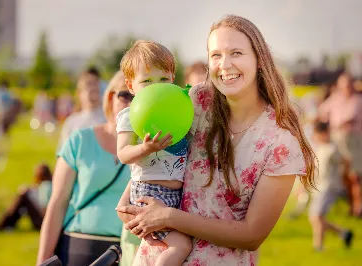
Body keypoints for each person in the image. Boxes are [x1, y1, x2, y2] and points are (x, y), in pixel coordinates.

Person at [116, 15, 316, 265]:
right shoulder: (196, 103)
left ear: (260, 59)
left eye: (236, 53)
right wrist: (129, 202)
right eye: (216, 55)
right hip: (156, 257)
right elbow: (158, 152)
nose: (225, 64)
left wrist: (167, 217)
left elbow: (252, 235)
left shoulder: (280, 143)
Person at [36, 71, 133, 266]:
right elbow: (57, 204)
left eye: (139, 96)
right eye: (125, 95)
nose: (131, 102)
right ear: (110, 97)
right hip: (78, 244)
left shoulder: (152, 148)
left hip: (128, 251)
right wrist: (42, 260)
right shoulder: (80, 140)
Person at [117, 40, 192, 266]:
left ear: (173, 79)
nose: (156, 86)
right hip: (149, 193)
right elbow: (123, 153)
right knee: (182, 245)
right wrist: (145, 148)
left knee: (183, 243)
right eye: (147, 81)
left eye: (163, 79)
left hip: (176, 197)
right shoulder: (130, 115)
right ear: (131, 86)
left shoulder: (178, 108)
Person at [318, 72, 362, 217]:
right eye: (344, 85)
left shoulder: (357, 100)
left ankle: (358, 207)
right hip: (338, 139)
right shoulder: (336, 99)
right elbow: (322, 110)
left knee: (355, 175)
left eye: (349, 84)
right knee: (344, 175)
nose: (347, 88)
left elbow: (350, 118)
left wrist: (337, 123)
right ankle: (352, 206)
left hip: (354, 140)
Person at [308, 121, 354, 251]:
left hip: (328, 186)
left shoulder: (332, 148)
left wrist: (343, 177)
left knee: (316, 216)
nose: (315, 137)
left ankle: (318, 246)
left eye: (317, 134)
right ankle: (344, 233)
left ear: (324, 134)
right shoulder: (319, 147)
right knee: (315, 217)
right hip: (319, 185)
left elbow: (346, 161)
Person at [0, 163, 53, 231]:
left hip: (44, 222)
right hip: (47, 222)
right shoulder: (50, 185)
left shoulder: (45, 186)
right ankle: (7, 224)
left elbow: (44, 210)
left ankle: (3, 224)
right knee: (23, 200)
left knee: (23, 196)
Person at [57, 68, 106, 152]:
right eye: (88, 88)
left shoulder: (108, 119)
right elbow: (64, 154)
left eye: (95, 89)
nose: (92, 94)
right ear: (79, 93)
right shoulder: (71, 122)